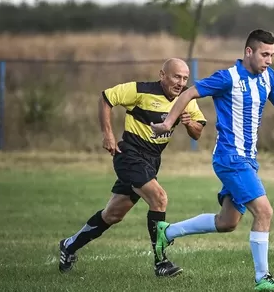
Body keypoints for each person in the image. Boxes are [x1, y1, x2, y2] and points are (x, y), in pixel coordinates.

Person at [150, 29, 274, 291]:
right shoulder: (228, 78)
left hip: (248, 160)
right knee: (265, 211)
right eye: (265, 54)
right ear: (249, 52)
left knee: (227, 223)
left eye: (272, 55)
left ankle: (166, 232)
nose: (269, 60)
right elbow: (189, 93)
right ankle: (263, 279)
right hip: (230, 158)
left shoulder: (269, 77)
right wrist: (168, 122)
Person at [58, 58, 207, 276]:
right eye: (176, 77)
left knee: (113, 214)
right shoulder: (141, 90)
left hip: (152, 160)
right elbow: (106, 97)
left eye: (185, 78)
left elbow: (198, 132)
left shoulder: (186, 99)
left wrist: (189, 123)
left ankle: (69, 246)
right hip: (129, 154)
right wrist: (107, 133)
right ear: (162, 75)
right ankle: (161, 263)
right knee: (159, 198)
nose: (180, 82)